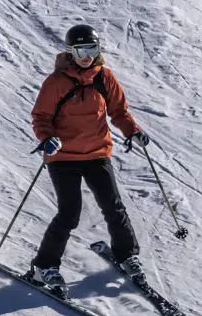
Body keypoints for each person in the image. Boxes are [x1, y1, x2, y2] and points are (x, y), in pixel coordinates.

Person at [27, 23, 151, 298]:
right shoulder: (57, 82)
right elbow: (41, 117)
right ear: (70, 52)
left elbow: (118, 110)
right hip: (63, 157)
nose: (86, 55)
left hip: (97, 153)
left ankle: (125, 254)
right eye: (81, 49)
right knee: (69, 214)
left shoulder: (104, 77)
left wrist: (133, 131)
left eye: (92, 49)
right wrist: (47, 137)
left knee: (113, 206)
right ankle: (43, 266)